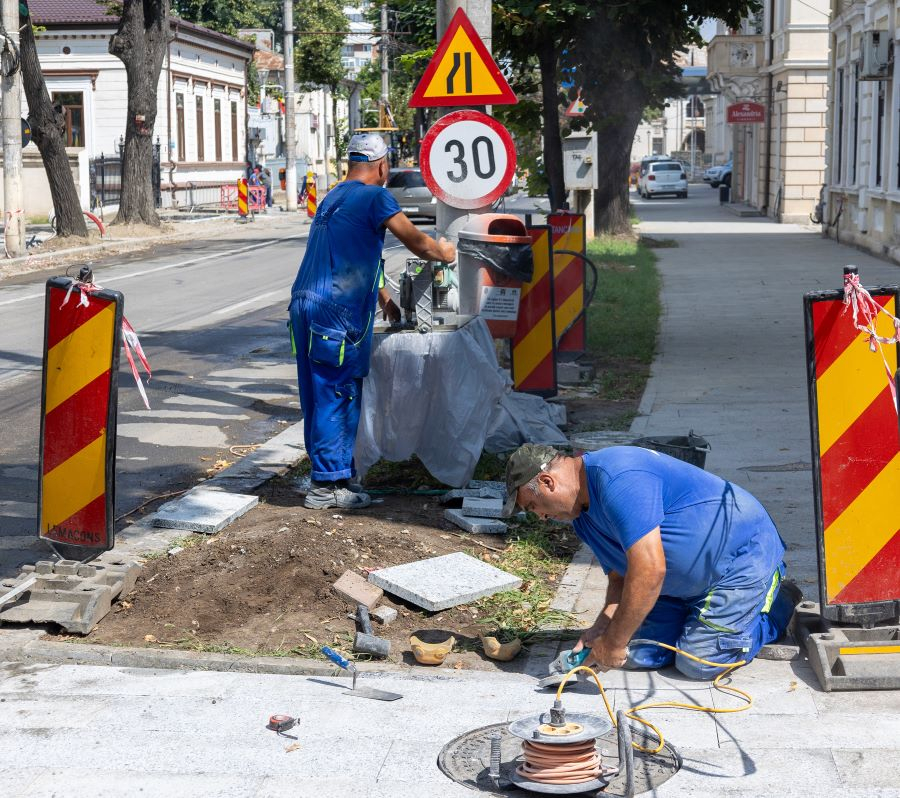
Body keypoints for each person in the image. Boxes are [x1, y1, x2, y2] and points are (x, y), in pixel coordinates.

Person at [502, 444, 799, 679]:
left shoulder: (619, 478)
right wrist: (601, 629)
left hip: (740, 560)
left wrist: (614, 644)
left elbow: (650, 570)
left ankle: (779, 603)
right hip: (677, 586)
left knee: (701, 662)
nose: (540, 517)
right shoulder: (581, 516)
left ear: (547, 481)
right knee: (642, 656)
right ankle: (693, 615)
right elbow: (620, 574)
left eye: (533, 506)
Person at [288, 132, 456, 510]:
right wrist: (444, 252)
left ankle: (338, 478)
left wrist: (384, 298)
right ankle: (325, 487)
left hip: (305, 304)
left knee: (320, 394)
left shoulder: (334, 195)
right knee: (336, 392)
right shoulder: (376, 196)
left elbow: (357, 254)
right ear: (382, 166)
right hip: (334, 309)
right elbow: (417, 242)